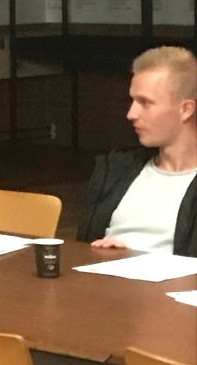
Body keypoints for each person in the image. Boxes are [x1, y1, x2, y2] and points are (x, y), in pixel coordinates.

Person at [78, 46, 197, 256]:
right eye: (132, 101)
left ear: (186, 109)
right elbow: (81, 250)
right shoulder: (116, 170)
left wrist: (135, 256)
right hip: (104, 274)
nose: (131, 114)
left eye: (145, 103)